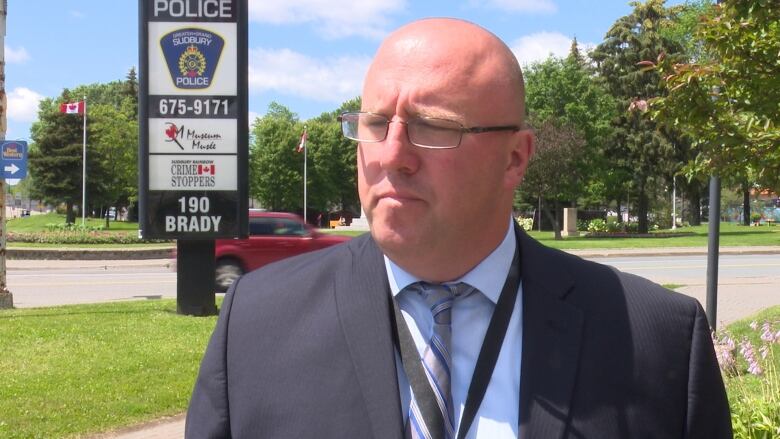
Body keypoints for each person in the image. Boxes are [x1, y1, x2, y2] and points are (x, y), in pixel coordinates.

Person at [186, 18, 731, 439]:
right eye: (375, 124)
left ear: (515, 158)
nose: (391, 155)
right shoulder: (257, 322)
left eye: (432, 128)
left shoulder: (657, 338)